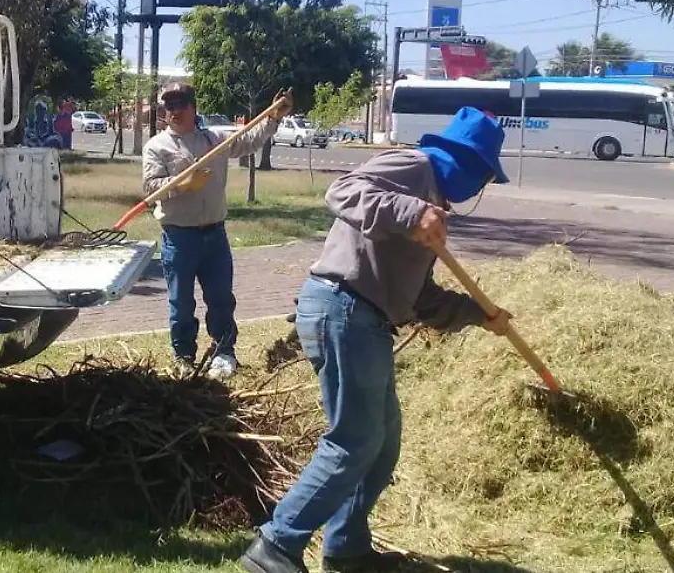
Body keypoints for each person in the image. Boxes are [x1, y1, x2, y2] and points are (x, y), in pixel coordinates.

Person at [240, 106, 514, 573]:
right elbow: (342, 190)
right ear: (469, 163)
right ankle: (275, 544)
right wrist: (412, 212)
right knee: (355, 438)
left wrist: (477, 314)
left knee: (382, 442)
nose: (480, 188)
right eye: (485, 176)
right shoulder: (414, 166)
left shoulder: (434, 209)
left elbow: (419, 298)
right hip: (342, 307)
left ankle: (346, 548)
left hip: (367, 321)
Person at [142, 83, 293, 379]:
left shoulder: (215, 140)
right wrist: (182, 184)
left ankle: (224, 351)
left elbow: (249, 141)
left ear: (193, 106)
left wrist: (274, 118)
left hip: (215, 235)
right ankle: (184, 356)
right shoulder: (157, 146)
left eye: (180, 104)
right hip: (179, 237)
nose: (174, 111)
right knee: (181, 302)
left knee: (221, 298)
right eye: (168, 106)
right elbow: (149, 187)